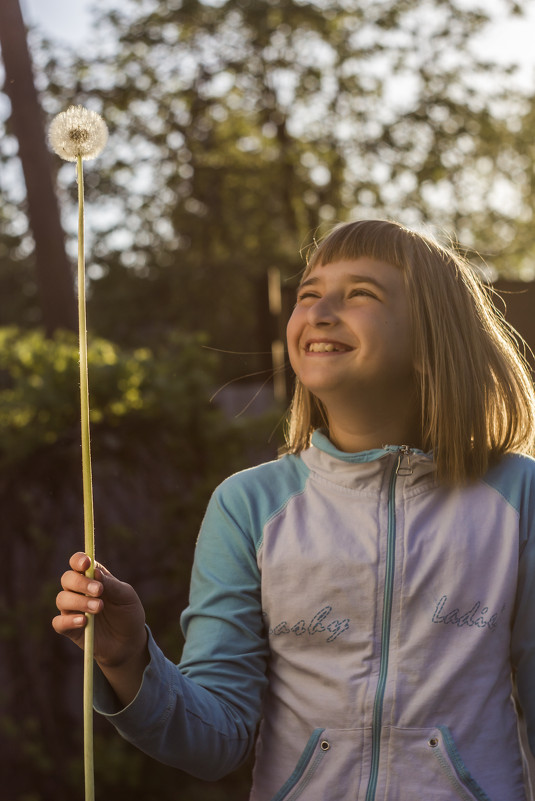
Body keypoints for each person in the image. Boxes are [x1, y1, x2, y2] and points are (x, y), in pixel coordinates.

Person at [54, 219, 535, 801]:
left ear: (435, 337)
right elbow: (217, 741)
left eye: (360, 293)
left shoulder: (519, 496)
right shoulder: (247, 506)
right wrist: (129, 660)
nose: (320, 310)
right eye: (307, 294)